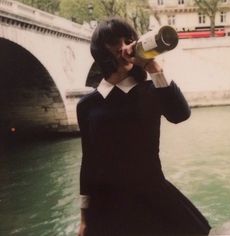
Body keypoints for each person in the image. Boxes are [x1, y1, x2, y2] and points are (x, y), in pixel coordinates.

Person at [77, 17, 211, 236]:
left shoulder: (150, 90)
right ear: (100, 50)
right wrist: (84, 217)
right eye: (114, 42)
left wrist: (152, 66)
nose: (123, 48)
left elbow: (180, 115)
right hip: (107, 204)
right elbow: (88, 162)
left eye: (128, 40)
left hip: (151, 197)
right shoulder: (87, 105)